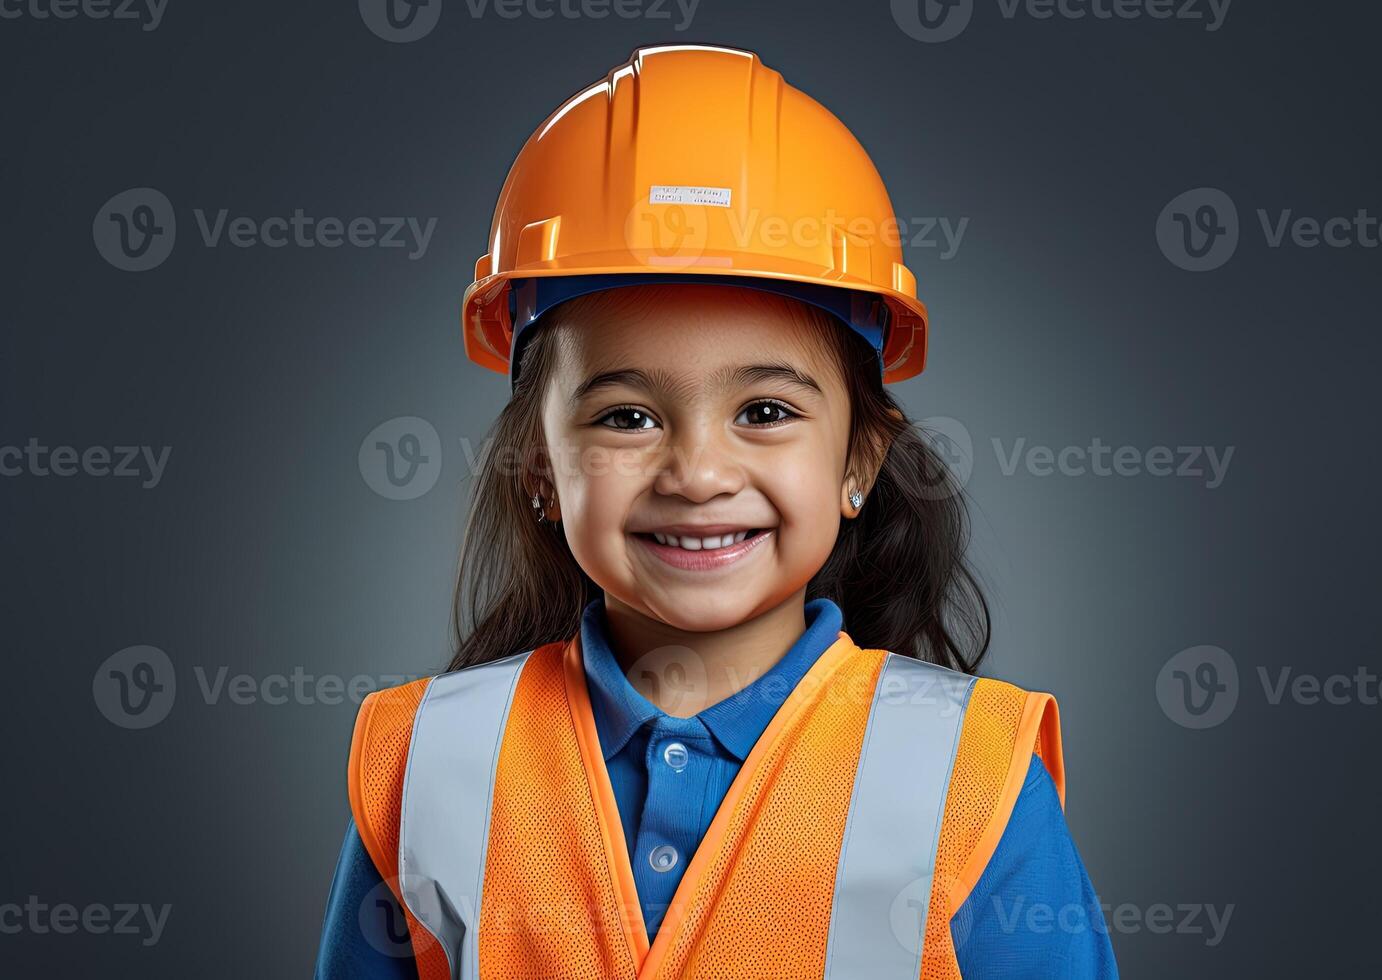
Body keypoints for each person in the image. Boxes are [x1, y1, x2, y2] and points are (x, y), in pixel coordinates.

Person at [315, 43, 1118, 979]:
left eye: (766, 412)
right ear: (539, 462)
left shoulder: (971, 776)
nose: (697, 473)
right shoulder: (427, 764)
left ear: (858, 459)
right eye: (627, 416)